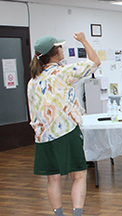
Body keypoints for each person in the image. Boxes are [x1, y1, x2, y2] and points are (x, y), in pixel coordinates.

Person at [28, 32, 101, 216]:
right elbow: (95, 62)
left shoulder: (33, 81)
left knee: (52, 178)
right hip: (66, 131)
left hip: (43, 136)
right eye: (59, 47)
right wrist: (84, 40)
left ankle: (58, 214)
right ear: (54, 52)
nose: (62, 49)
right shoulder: (62, 72)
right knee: (79, 174)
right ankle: (76, 214)